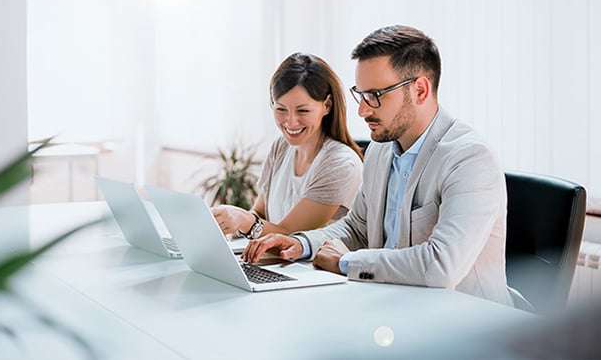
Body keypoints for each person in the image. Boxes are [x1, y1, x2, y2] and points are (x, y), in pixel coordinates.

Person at [242, 25, 514, 306]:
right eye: (360, 94)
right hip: (391, 308)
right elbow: (356, 228)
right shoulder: (380, 151)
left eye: (375, 95)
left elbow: (440, 265)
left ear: (420, 90)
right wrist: (302, 244)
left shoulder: (469, 159)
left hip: (467, 326)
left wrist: (346, 262)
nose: (362, 110)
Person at [211, 52, 363, 242]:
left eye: (303, 111)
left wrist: (245, 221)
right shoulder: (281, 147)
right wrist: (234, 225)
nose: (291, 122)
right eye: (281, 109)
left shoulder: (340, 164)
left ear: (327, 105)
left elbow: (291, 237)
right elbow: (260, 213)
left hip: (312, 269)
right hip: (274, 265)